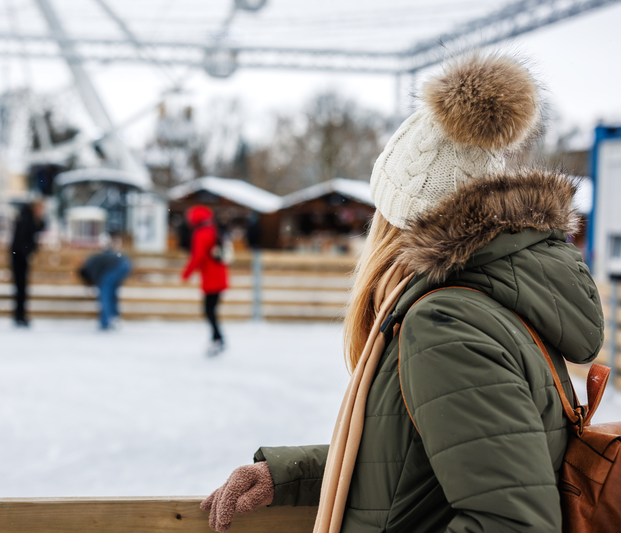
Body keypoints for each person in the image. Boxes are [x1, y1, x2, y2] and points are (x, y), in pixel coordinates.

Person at [200, 54, 604, 533]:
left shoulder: (448, 326)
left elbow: (513, 522)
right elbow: (419, 466)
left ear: (398, 219)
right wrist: (290, 476)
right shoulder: (493, 302)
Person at [181, 205, 229, 356]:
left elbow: (198, 256)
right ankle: (217, 339)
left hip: (211, 277)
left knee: (209, 310)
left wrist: (186, 273)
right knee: (210, 310)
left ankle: (218, 339)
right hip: (219, 274)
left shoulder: (201, 233)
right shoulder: (213, 229)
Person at [78, 234, 131, 330]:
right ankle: (114, 317)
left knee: (105, 294)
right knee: (111, 293)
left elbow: (98, 280)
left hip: (116, 265)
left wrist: (92, 287)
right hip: (125, 263)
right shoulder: (93, 260)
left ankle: (105, 321)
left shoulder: (90, 268)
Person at [10, 198, 45, 327]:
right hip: (19, 258)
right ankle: (19, 316)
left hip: (20, 257)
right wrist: (27, 253)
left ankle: (20, 315)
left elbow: (41, 227)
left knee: (22, 288)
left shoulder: (28, 218)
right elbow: (21, 240)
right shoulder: (25, 219)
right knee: (21, 288)